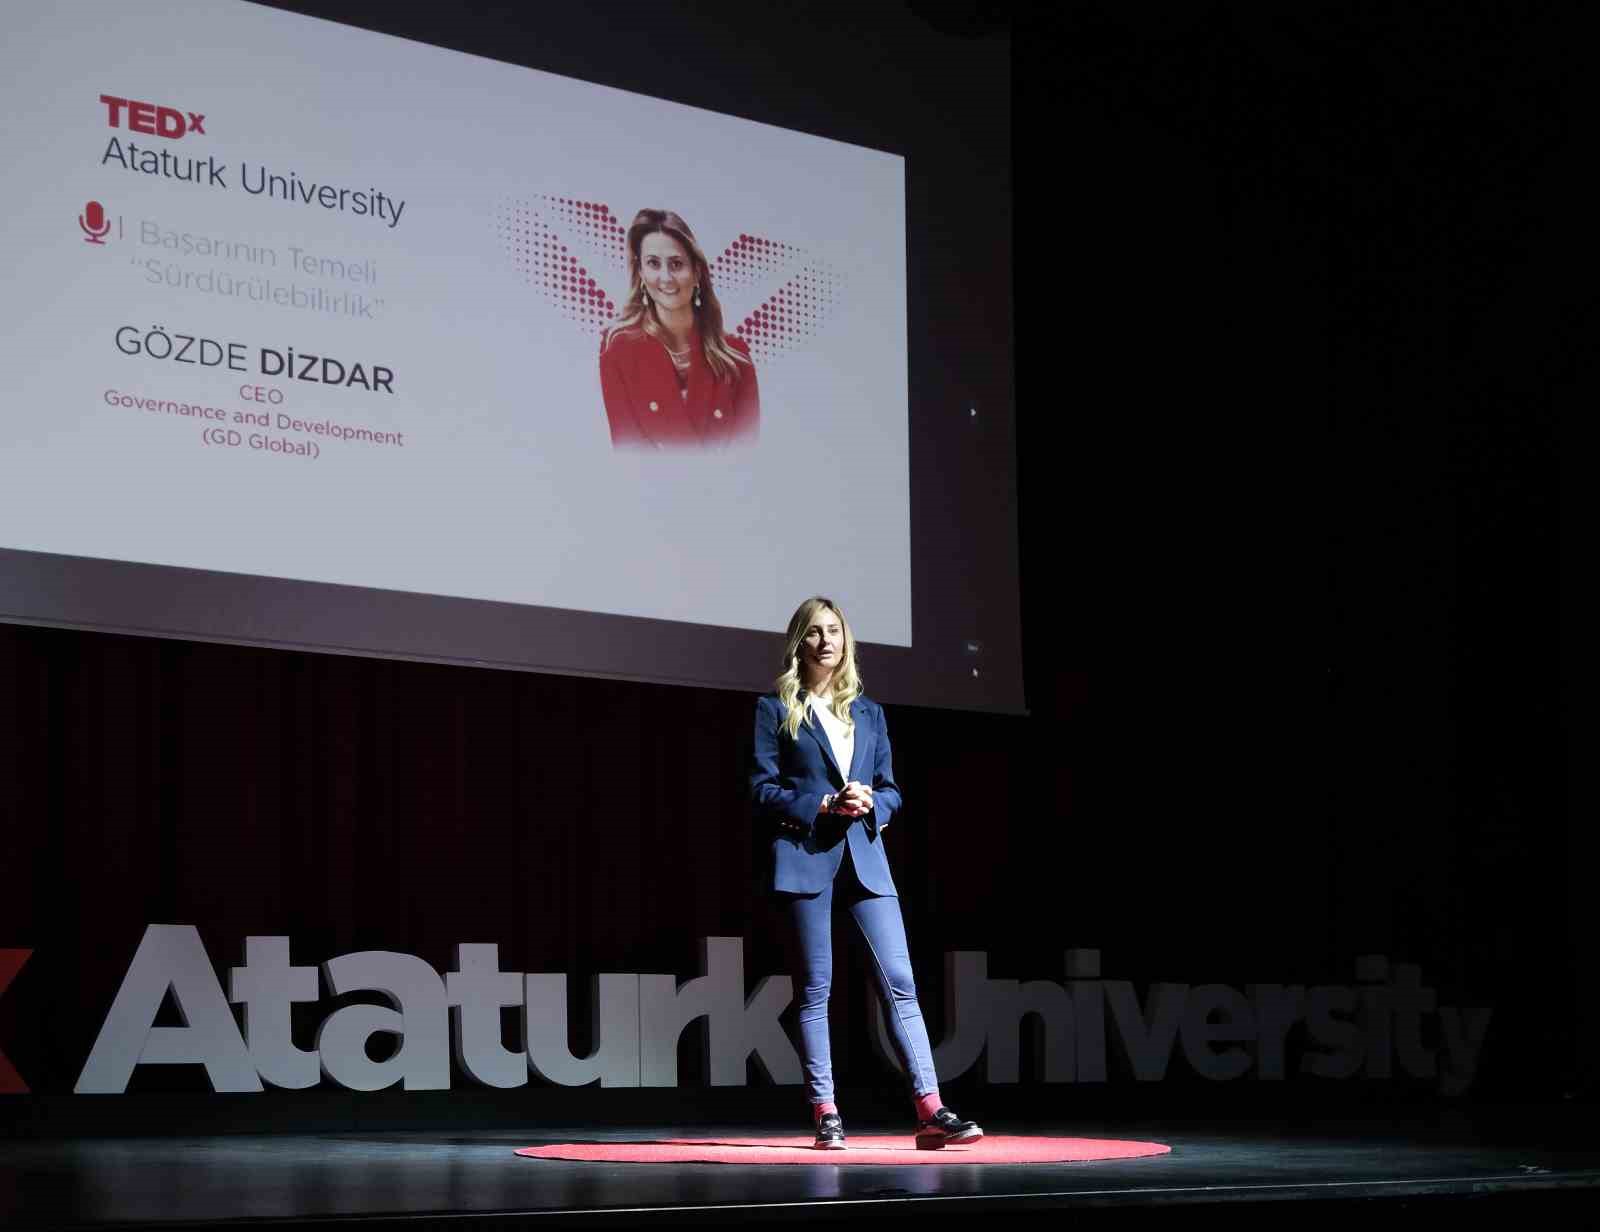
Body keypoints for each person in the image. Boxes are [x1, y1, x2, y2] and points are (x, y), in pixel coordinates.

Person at [749, 596, 982, 1150]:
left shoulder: (869, 713)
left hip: (867, 859)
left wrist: (872, 802)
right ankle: (826, 1111)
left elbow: (893, 789)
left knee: (900, 983)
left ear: (846, 640)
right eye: (813, 632)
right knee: (815, 991)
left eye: (834, 631)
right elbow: (761, 790)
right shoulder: (774, 708)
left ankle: (931, 1109)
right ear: (798, 644)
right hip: (806, 855)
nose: (826, 640)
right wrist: (824, 805)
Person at [599, 208, 759, 449]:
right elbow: (628, 454)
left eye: (676, 264)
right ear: (641, 272)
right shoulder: (617, 349)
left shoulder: (736, 357)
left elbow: (749, 454)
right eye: (653, 263)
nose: (665, 277)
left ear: (696, 273)